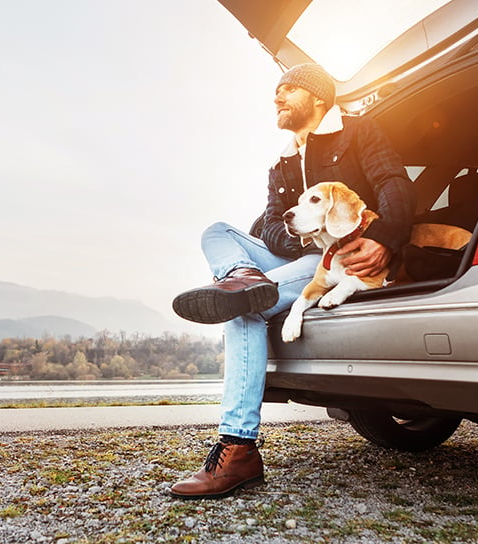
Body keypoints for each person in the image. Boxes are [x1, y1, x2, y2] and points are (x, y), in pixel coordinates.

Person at [169, 63, 416, 499]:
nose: (277, 98)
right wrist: (297, 234)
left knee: (242, 309)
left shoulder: (359, 132)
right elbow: (267, 226)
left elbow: (394, 186)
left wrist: (383, 240)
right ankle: (241, 276)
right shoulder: (281, 162)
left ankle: (238, 447)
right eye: (276, 92)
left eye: (287, 89)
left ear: (318, 97)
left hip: (337, 254)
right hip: (297, 254)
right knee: (218, 232)